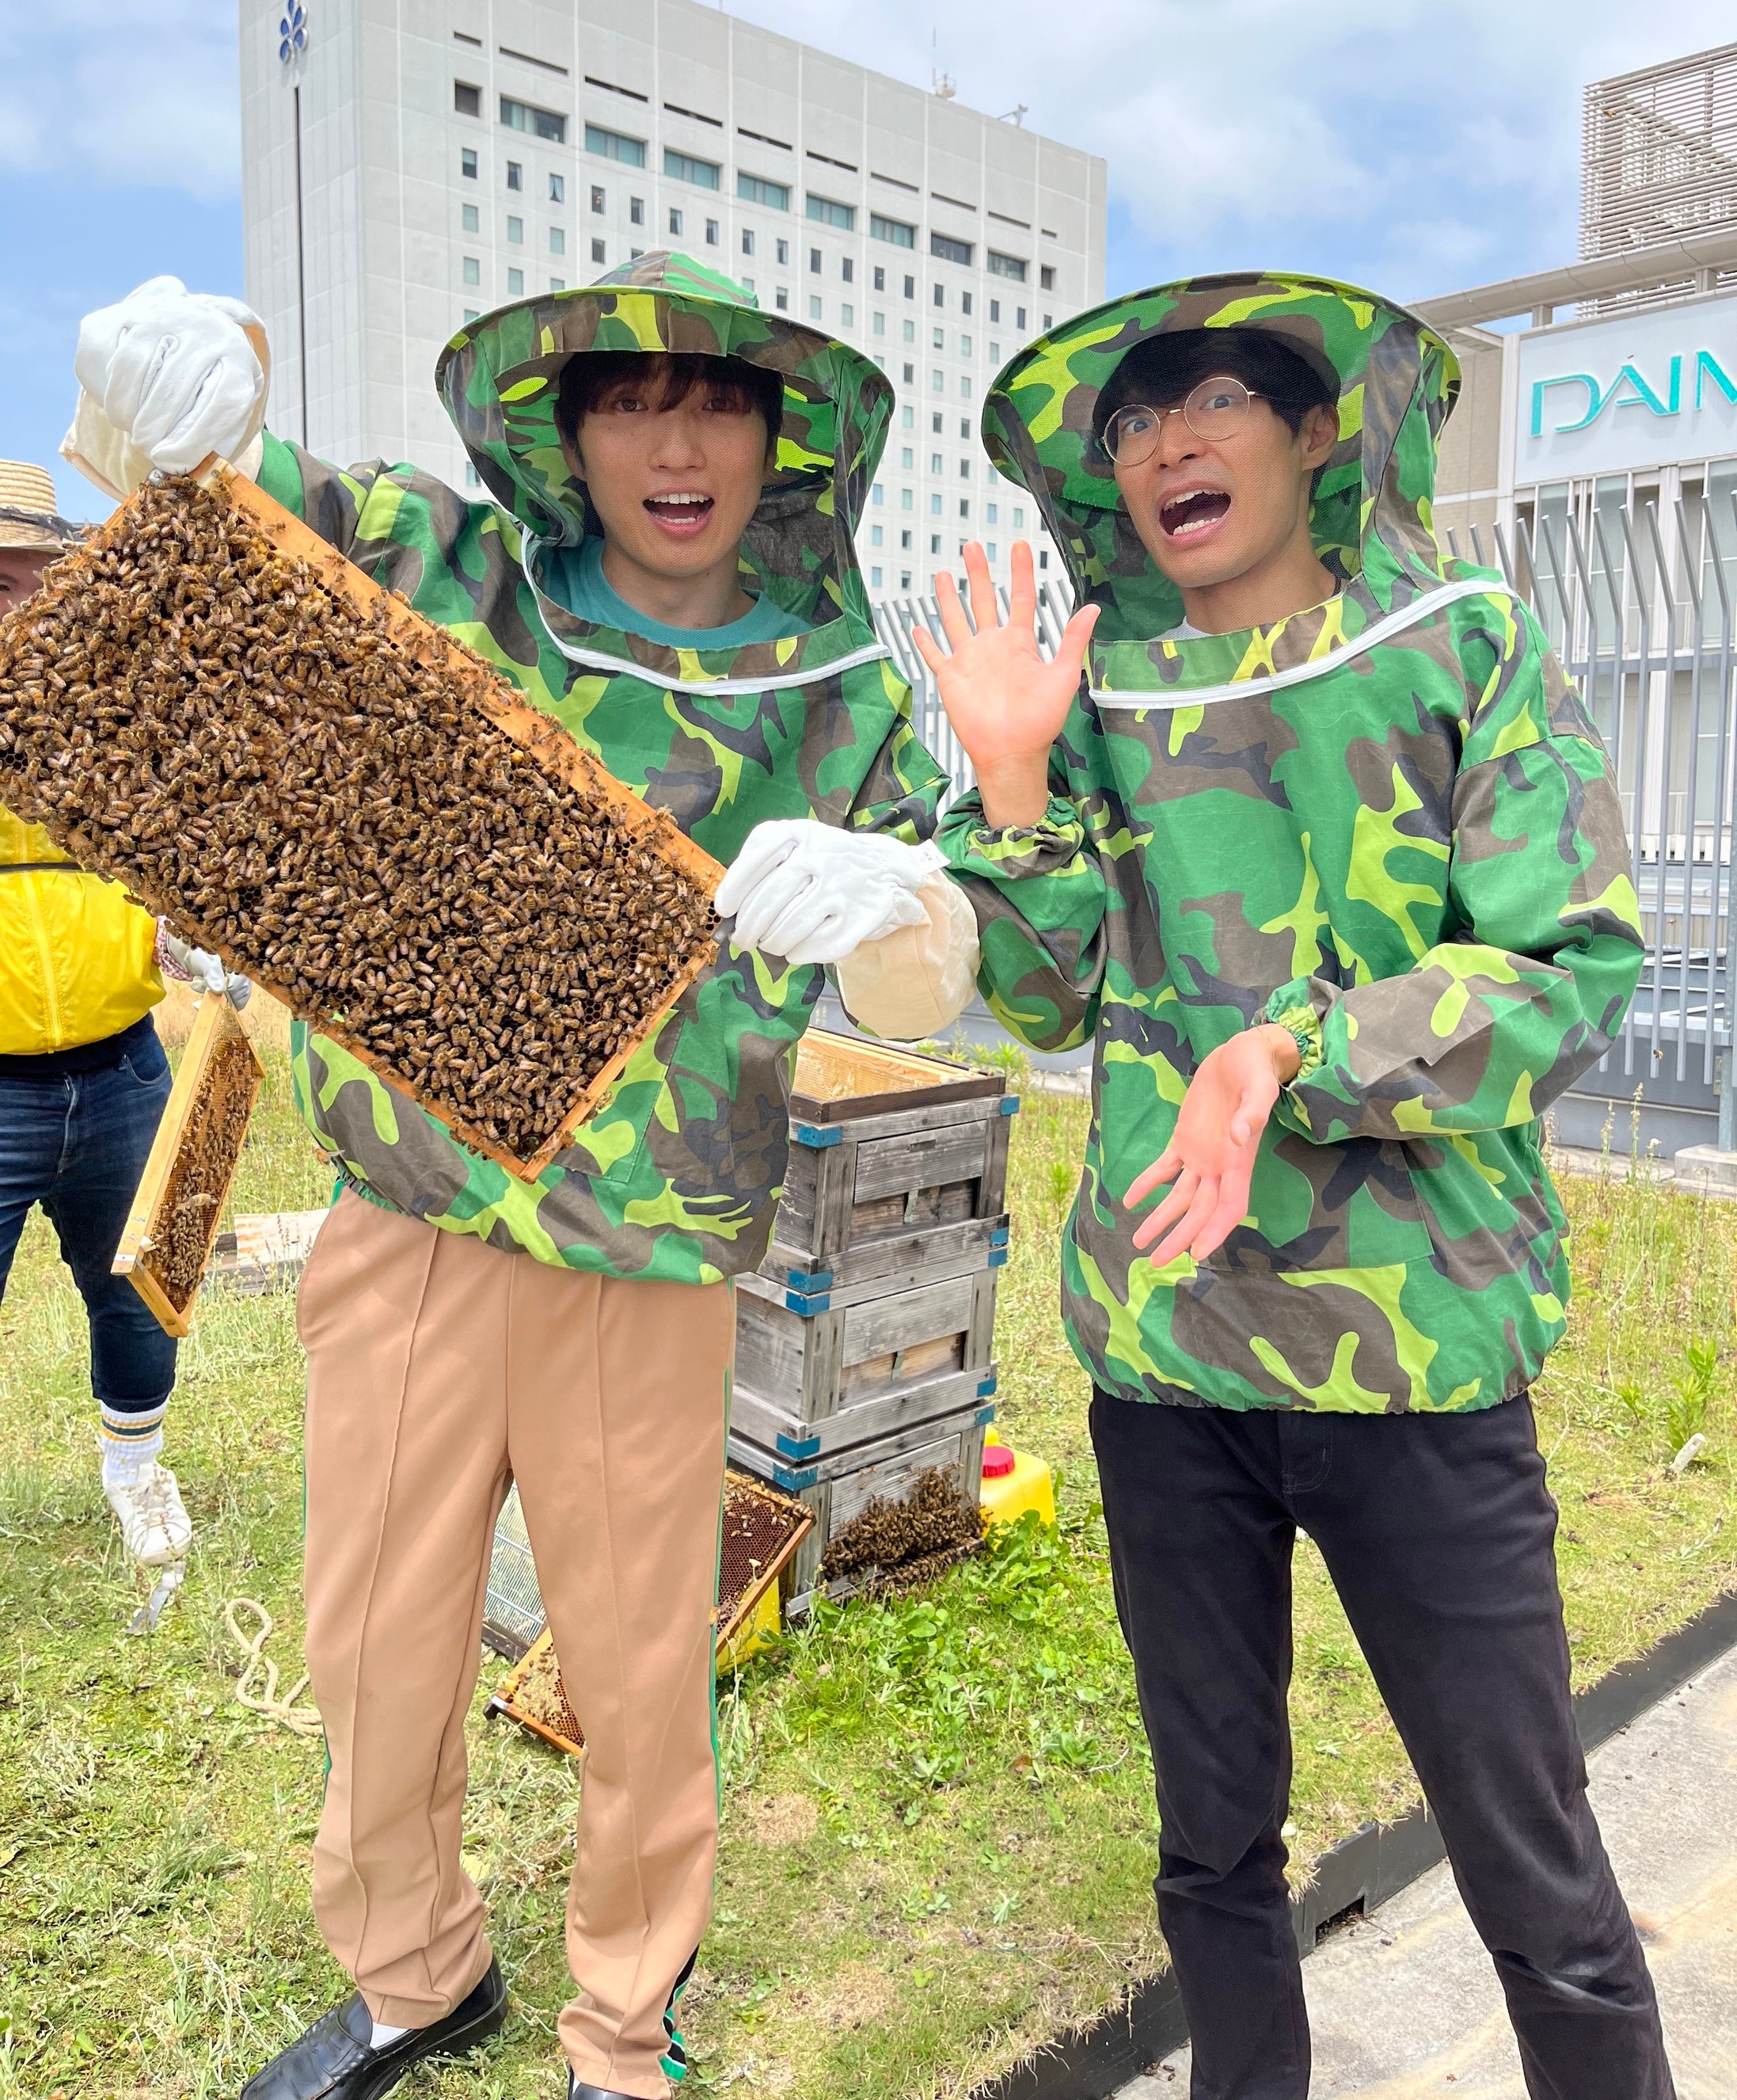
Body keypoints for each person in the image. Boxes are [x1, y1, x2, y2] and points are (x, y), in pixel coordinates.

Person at [67, 258, 978, 2100]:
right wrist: (170, 393)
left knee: (633, 1669)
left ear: (776, 436)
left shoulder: (842, 691)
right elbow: (221, 487)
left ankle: (623, 2030)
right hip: (408, 1210)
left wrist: (901, 901)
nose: (674, 444)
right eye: (628, 402)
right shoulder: (460, 571)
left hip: (643, 1256)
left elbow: (924, 982)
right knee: (371, 1636)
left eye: (712, 401)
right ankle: (416, 1974)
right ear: (564, 432)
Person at [917, 274, 1674, 2100]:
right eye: (1130, 423)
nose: (1164, 443)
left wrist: (1286, 1048)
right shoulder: (1101, 701)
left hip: (1413, 1364)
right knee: (1210, 1849)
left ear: (1319, 430)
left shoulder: (1456, 640)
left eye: (1212, 402)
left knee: (1526, 1857)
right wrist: (1006, 777)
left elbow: (1565, 966)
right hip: (1166, 1360)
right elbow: (1042, 994)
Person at [0, 459, 249, 1572]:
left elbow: (172, 849)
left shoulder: (116, 717)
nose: (14, 609)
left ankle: (135, 1471)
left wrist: (184, 928)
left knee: (145, 1292)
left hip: (122, 1071)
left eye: (23, 583)